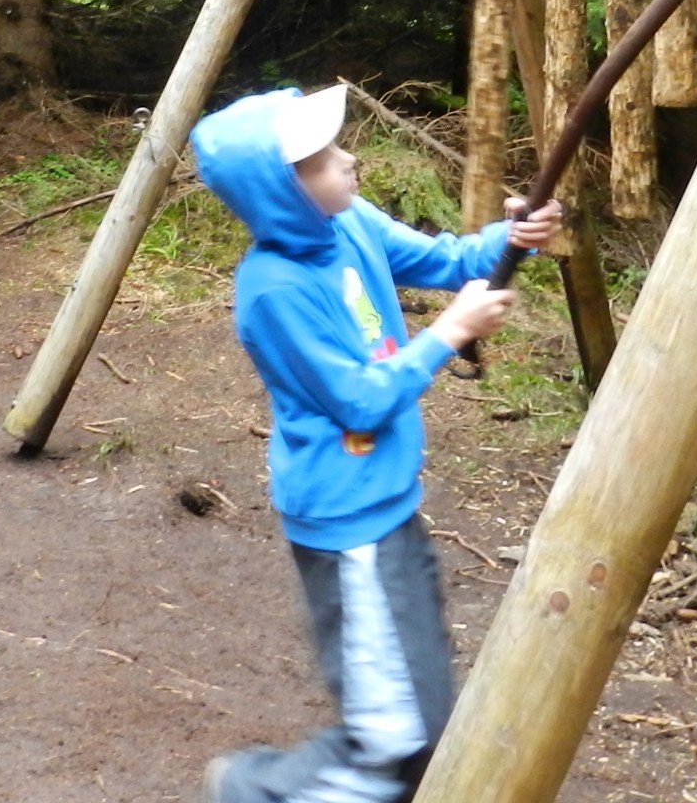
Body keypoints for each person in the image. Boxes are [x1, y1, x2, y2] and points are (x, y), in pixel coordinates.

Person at [190, 82, 563, 802]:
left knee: (420, 714)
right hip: (347, 523)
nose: (349, 159)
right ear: (284, 192)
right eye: (325, 159)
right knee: (392, 743)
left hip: (388, 504)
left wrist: (510, 240)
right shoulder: (273, 291)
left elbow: (446, 261)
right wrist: (449, 332)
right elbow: (358, 401)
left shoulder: (348, 221)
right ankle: (256, 791)